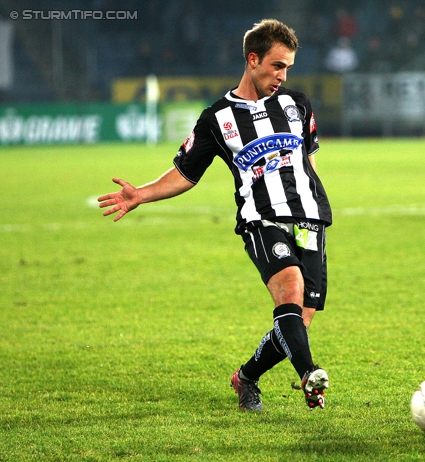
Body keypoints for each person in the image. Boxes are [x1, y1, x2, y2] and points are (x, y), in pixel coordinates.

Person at [98, 19, 331, 411]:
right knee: (289, 289)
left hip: (310, 218)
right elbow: (186, 173)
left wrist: (319, 212)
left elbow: (307, 163)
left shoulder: (298, 104)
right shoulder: (217, 118)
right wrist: (141, 194)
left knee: (298, 325)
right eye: (277, 65)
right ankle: (309, 374)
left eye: (288, 67)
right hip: (261, 219)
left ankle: (246, 378)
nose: (283, 75)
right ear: (252, 59)